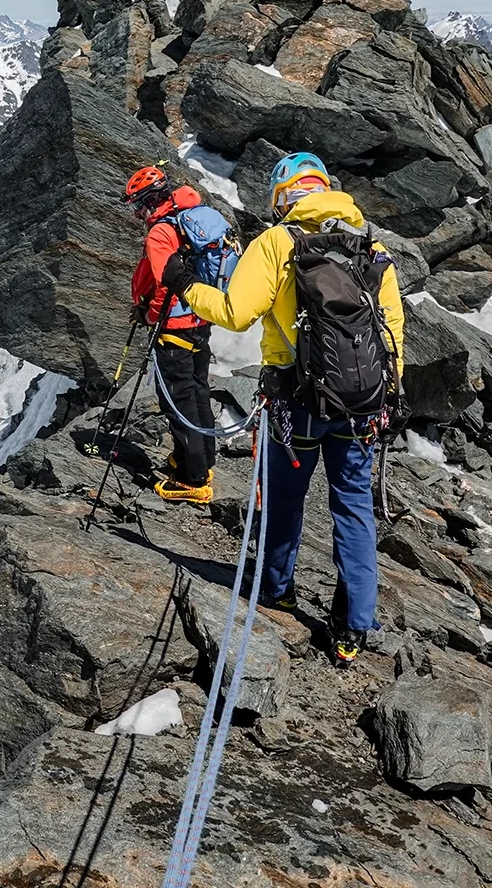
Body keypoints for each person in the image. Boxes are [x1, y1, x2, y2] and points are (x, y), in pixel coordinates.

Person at [164, 152, 406, 664]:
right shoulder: (371, 247)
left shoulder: (278, 242)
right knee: (354, 508)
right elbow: (391, 333)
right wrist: (386, 397)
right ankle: (354, 626)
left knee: (283, 498)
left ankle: (277, 587)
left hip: (296, 402)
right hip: (362, 404)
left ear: (283, 198)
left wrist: (185, 284)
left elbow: (235, 312)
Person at [123, 163, 217, 506]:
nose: (136, 214)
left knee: (178, 403)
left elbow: (166, 283)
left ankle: (193, 480)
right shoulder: (191, 214)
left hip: (174, 326)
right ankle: (202, 461)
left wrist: (149, 315)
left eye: (137, 206)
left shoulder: (161, 232)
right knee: (198, 391)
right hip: (200, 319)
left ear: (149, 201)